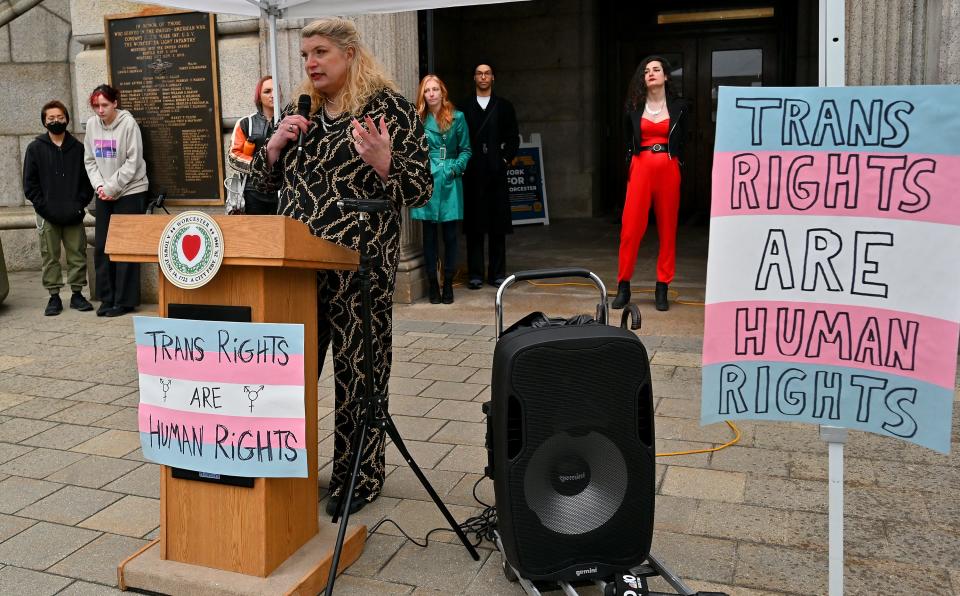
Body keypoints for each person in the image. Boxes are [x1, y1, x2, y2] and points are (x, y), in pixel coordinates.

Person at [251, 18, 431, 517]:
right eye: (305, 54)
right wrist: (272, 150)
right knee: (290, 372)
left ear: (350, 53)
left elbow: (419, 190)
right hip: (298, 269)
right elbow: (259, 199)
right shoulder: (296, 111)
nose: (310, 63)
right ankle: (286, 466)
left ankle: (360, 476)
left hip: (361, 267)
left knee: (359, 377)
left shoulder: (387, 109)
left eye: (321, 52)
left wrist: (384, 162)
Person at [613, 56, 689, 312]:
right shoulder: (634, 106)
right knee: (631, 228)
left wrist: (676, 161)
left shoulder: (679, 107)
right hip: (641, 166)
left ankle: (662, 287)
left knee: (668, 229)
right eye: (646, 71)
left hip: (668, 168)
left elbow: (684, 139)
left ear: (666, 76)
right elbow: (626, 140)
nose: (651, 73)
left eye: (656, 70)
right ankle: (623, 285)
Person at [23, 100, 95, 316]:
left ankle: (77, 294)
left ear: (67, 119)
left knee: (77, 254)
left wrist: (79, 205)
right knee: (50, 256)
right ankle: (54, 296)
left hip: (73, 213)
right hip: (47, 215)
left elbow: (87, 181)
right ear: (44, 122)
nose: (56, 121)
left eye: (60, 118)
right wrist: (44, 207)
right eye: (51, 118)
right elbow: (30, 184)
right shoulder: (35, 148)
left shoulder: (79, 148)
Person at [83, 84, 149, 317]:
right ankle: (107, 298)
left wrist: (112, 187)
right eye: (96, 106)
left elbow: (133, 161)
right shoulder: (92, 126)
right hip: (104, 193)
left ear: (114, 104)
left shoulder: (128, 124)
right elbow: (90, 160)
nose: (100, 110)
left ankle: (125, 301)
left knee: (126, 248)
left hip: (130, 191)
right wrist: (100, 187)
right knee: (102, 246)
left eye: (104, 105)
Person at [410, 75, 471, 304]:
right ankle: (432, 284)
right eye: (427, 90)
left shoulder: (458, 117)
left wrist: (454, 169)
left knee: (451, 236)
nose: (432, 93)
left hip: (449, 179)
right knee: (428, 237)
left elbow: (466, 149)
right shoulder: (418, 119)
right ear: (423, 95)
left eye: (436, 89)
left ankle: (448, 284)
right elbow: (411, 150)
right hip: (427, 179)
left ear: (442, 92)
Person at [461, 62, 519, 289]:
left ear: (493, 78)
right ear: (474, 78)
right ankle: (475, 274)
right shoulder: (464, 107)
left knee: (497, 225)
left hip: (497, 171)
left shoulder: (504, 106)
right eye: (479, 73)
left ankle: (497, 274)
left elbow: (514, 137)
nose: (483, 77)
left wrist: (504, 159)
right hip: (473, 172)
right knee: (474, 225)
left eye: (487, 73)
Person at [228, 75, 278, 215]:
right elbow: (233, 156)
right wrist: (259, 165)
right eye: (267, 91)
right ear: (259, 96)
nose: (272, 95)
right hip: (252, 192)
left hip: (283, 190)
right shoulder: (245, 123)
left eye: (275, 90)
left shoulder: (289, 121)